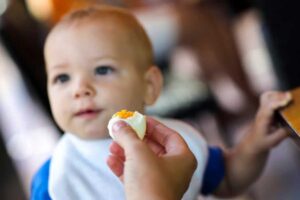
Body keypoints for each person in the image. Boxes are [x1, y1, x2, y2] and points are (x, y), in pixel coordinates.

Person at [30, 5, 292, 200]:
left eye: (102, 70)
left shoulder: (176, 141)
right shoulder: (55, 182)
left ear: (150, 86)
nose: (80, 89)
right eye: (62, 77)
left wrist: (256, 141)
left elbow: (227, 180)